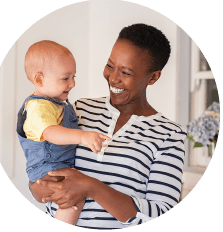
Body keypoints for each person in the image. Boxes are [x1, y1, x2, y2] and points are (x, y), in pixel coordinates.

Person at [29, 24, 187, 229]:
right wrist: (35, 188)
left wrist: (91, 187)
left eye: (126, 72)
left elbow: (162, 213)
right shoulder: (77, 110)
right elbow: (44, 160)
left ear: (153, 77)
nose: (113, 78)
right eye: (110, 66)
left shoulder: (169, 135)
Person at [16, 40, 110, 225]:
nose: (72, 83)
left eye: (74, 77)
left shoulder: (58, 103)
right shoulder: (37, 107)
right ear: (39, 80)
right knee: (74, 196)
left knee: (75, 190)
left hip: (59, 164)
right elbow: (51, 133)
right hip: (46, 167)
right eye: (65, 78)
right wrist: (83, 136)